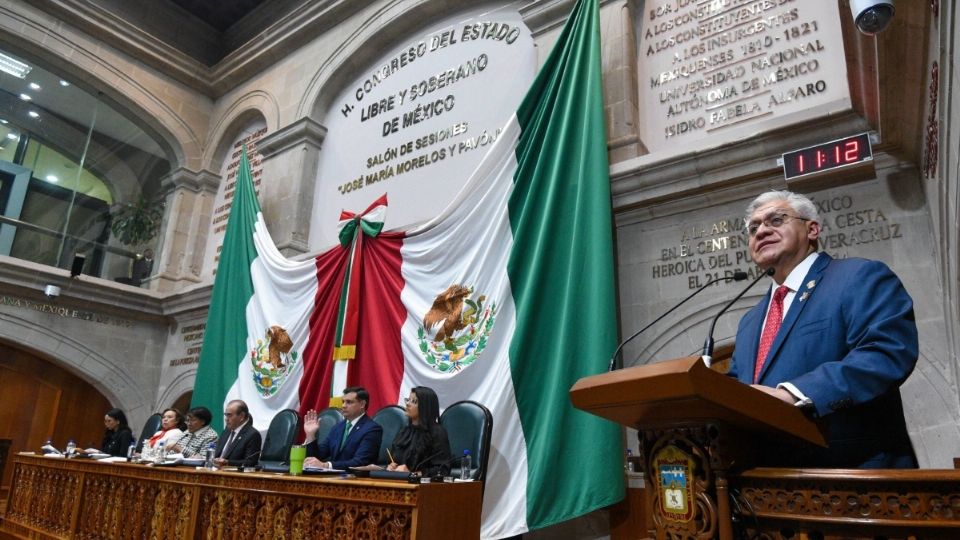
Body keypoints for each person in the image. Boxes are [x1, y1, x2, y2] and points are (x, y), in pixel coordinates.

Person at [728, 190, 918, 468]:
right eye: (754, 228)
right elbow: (736, 390)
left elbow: (887, 352)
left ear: (812, 229)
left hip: (854, 478)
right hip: (766, 486)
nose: (761, 231)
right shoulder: (750, 321)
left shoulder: (857, 277)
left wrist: (792, 394)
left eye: (776, 220)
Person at [303, 386, 382, 469]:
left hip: (356, 479)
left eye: (349, 402)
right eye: (343, 402)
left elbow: (361, 462)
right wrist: (310, 435)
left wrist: (327, 465)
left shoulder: (372, 429)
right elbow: (317, 457)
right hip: (333, 477)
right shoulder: (337, 428)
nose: (343, 406)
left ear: (362, 404)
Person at [386, 386, 452, 476]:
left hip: (423, 486)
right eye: (408, 400)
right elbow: (395, 460)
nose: (408, 404)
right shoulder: (404, 431)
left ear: (425, 406)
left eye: (414, 401)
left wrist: (412, 474)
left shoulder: (437, 432)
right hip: (399, 483)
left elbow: (443, 470)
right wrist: (391, 467)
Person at [213, 400, 262, 467]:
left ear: (241, 416)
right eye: (226, 415)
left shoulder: (252, 435)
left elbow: (250, 462)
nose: (226, 419)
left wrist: (228, 462)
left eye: (229, 415)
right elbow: (217, 454)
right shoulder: (226, 431)